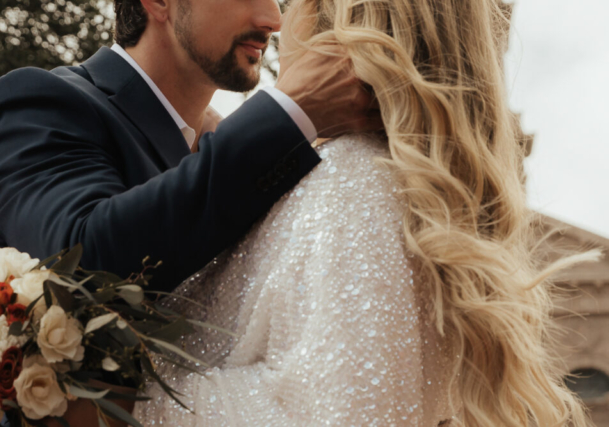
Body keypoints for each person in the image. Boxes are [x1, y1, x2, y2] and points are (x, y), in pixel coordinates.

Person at [132, 0, 600, 425]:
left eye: (294, 0)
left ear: (335, 18)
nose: (279, 20)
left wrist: (113, 400)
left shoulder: (353, 182)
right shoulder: (373, 185)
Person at [0, 0, 381, 293]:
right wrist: (289, 112)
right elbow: (82, 264)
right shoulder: (37, 100)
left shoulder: (221, 145)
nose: (273, 18)